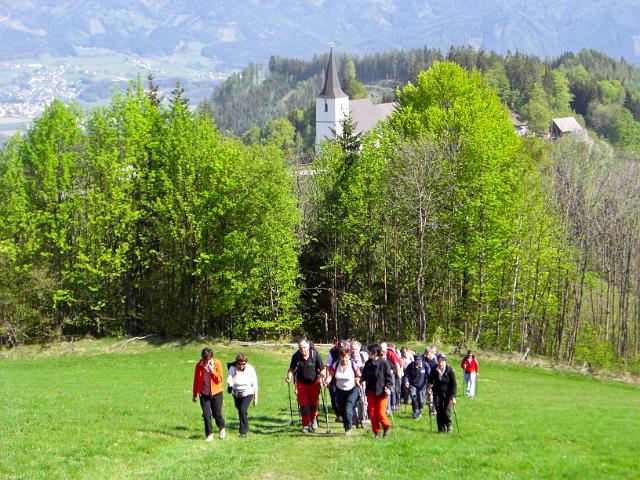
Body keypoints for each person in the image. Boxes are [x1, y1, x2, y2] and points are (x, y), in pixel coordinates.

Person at [286, 339, 326, 433]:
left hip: (313, 383)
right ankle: (305, 425)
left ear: (308, 347)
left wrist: (321, 376)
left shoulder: (315, 355)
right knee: (303, 405)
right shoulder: (296, 356)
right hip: (301, 384)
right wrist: (289, 377)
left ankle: (313, 419)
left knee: (313, 404)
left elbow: (322, 369)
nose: (302, 350)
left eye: (304, 347)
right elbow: (291, 369)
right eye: (300, 348)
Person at [325, 347, 361, 435]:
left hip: (352, 389)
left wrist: (358, 379)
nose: (344, 359)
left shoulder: (353, 364)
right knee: (341, 410)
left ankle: (349, 428)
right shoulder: (336, 364)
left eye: (346, 357)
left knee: (348, 407)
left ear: (349, 356)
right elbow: (331, 375)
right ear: (340, 357)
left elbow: (358, 374)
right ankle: (346, 426)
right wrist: (327, 380)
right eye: (342, 357)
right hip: (340, 390)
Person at [192, 348, 226, 441]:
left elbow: (220, 379)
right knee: (206, 415)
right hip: (204, 393)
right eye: (205, 359)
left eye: (209, 359)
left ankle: (221, 428)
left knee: (217, 414)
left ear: (212, 357)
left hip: (216, 393)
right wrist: (194, 394)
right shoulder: (199, 365)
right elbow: (196, 380)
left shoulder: (217, 363)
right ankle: (209, 434)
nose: (207, 361)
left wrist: (212, 370)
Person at [360, 344, 393, 439]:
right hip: (371, 391)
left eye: (369, 352)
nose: (368, 354)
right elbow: (365, 374)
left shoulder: (384, 363)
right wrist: (361, 379)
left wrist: (388, 387)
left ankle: (386, 427)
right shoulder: (368, 363)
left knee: (380, 413)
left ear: (375, 353)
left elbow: (389, 378)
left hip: (382, 392)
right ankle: (377, 432)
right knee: (372, 413)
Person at [227, 352, 258, 438]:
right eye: (239, 364)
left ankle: (243, 432)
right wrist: (236, 374)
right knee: (240, 410)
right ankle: (244, 421)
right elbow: (230, 383)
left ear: (246, 363)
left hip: (248, 392)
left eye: (243, 364)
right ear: (236, 363)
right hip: (236, 393)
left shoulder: (250, 369)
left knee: (242, 409)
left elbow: (255, 383)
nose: (241, 366)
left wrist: (256, 397)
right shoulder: (232, 369)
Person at [427, 354, 457, 433]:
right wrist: (429, 387)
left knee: (446, 410)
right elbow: (430, 380)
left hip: (448, 393)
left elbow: (454, 384)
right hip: (437, 392)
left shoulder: (450, 370)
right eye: (439, 362)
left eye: (442, 362)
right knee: (438, 409)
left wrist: (453, 397)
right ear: (437, 362)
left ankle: (449, 424)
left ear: (445, 362)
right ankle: (441, 429)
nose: (441, 364)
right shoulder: (434, 370)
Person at [326, 339, 350, 422]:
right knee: (333, 394)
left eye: (343, 347)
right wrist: (327, 378)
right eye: (340, 347)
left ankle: (345, 413)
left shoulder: (348, 351)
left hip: (344, 376)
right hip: (333, 375)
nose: (341, 349)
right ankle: (338, 414)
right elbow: (328, 365)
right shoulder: (333, 352)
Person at [404, 353, 428, 419]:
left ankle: (420, 410)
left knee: (421, 400)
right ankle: (415, 412)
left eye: (419, 361)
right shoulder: (410, 366)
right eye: (416, 361)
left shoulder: (425, 365)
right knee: (414, 398)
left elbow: (429, 374)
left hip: (422, 386)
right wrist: (406, 382)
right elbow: (406, 375)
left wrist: (429, 384)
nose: (417, 362)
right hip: (413, 385)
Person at [380, 342, 402, 412]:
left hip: (391, 372)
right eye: (381, 347)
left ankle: (393, 405)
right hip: (383, 374)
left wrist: (398, 373)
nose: (381, 349)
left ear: (386, 348)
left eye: (383, 347)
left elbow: (397, 364)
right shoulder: (379, 354)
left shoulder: (390, 353)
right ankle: (386, 407)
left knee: (392, 390)